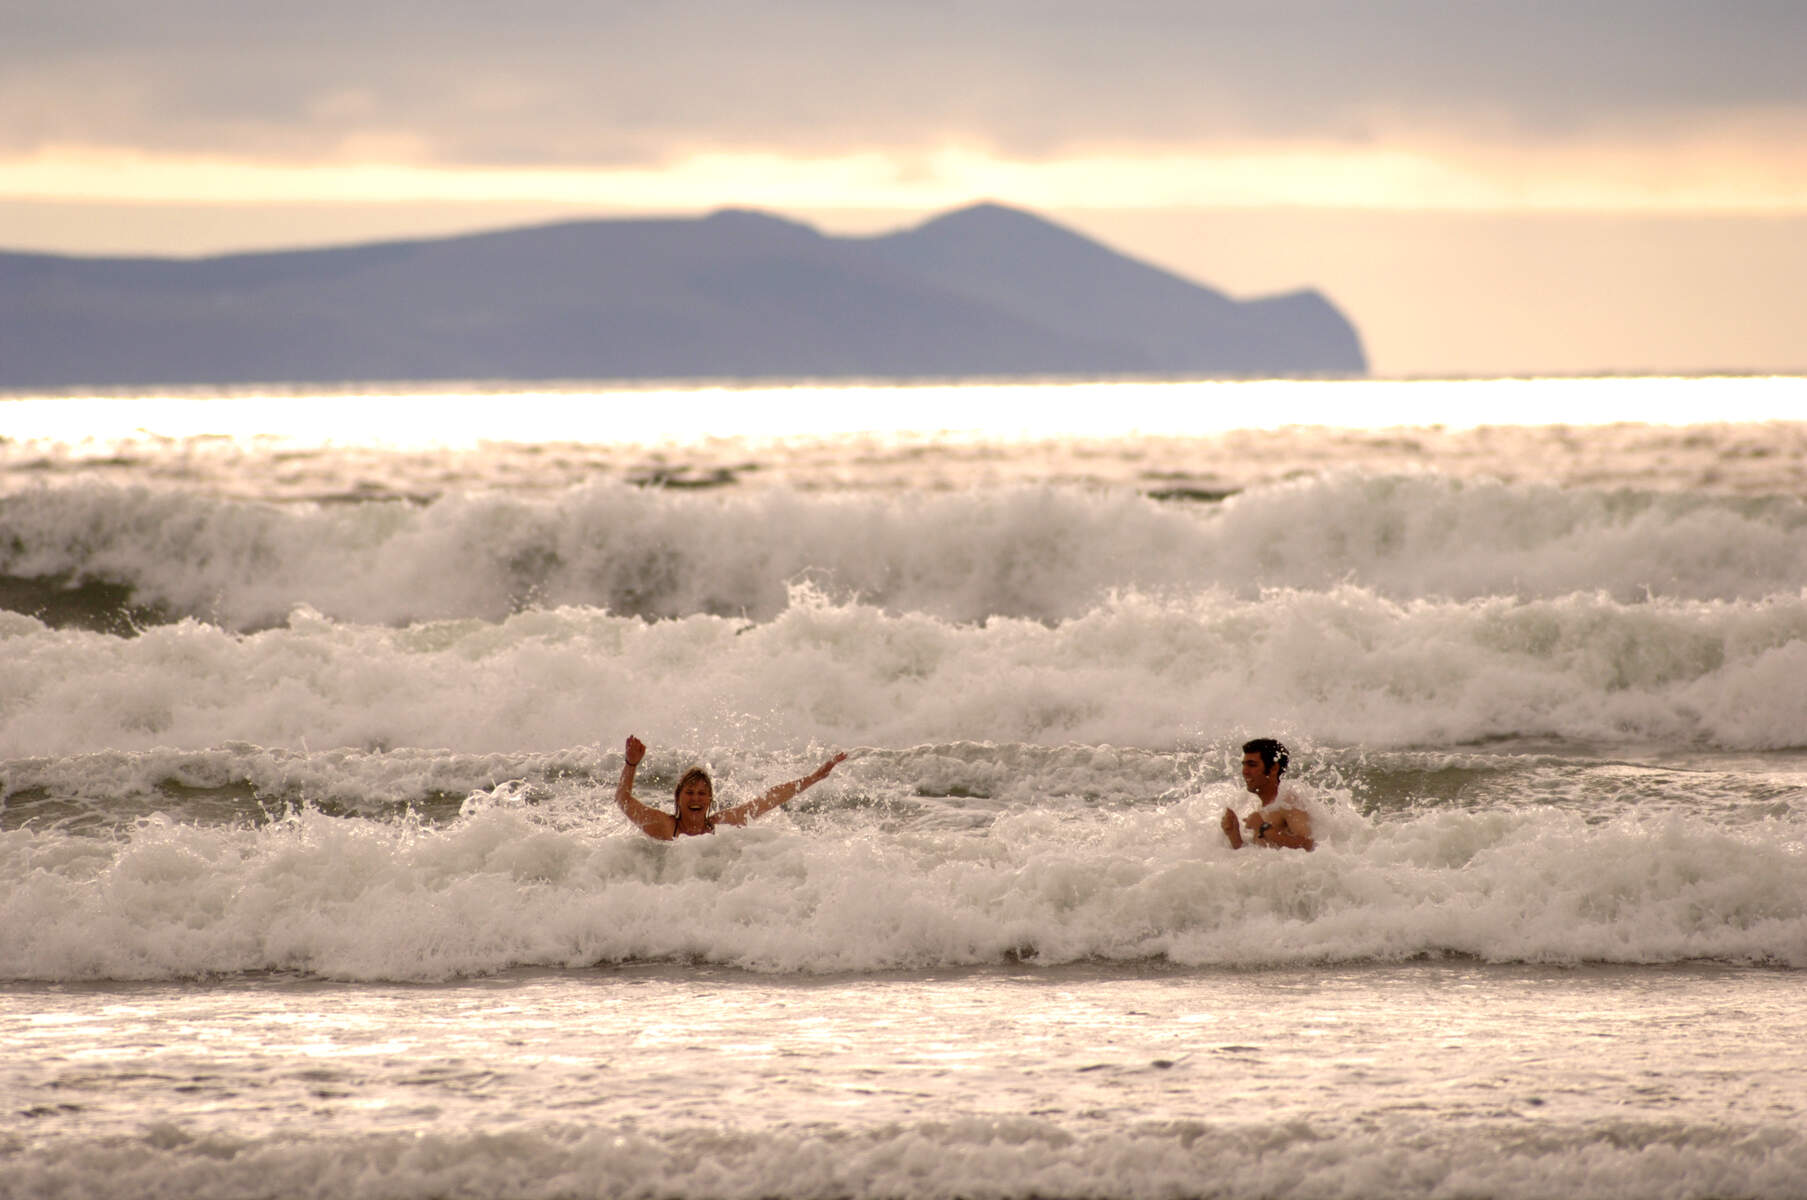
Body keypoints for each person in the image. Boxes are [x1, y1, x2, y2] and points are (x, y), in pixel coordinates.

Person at [614, 735, 847, 840]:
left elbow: (769, 799)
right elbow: (623, 800)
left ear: (710, 800)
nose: (696, 798)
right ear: (678, 797)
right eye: (690, 792)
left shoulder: (720, 825)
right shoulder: (665, 826)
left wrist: (814, 777)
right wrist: (631, 764)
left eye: (702, 794)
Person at [1221, 737, 1314, 851]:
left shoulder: (1289, 802)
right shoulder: (1263, 808)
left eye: (1252, 765)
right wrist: (1234, 835)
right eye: (1244, 765)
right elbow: (1256, 857)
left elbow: (1307, 845)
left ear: (1274, 768)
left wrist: (1263, 828)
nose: (1244, 771)